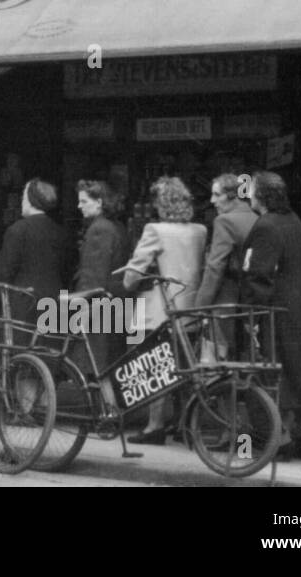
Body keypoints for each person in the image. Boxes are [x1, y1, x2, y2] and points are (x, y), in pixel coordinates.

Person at [239, 171, 301, 459]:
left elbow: (258, 275)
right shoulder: (294, 220)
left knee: (275, 371)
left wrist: (250, 315)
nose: (247, 194)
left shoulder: (266, 225)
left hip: (277, 309)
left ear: (261, 195)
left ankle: (281, 439)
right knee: (299, 370)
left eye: (250, 190)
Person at [123, 176, 207, 444]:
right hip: (191, 308)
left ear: (161, 204)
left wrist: (133, 278)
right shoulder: (200, 231)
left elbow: (131, 277)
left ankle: (155, 425)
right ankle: (184, 424)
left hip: (161, 309)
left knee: (157, 366)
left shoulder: (154, 230)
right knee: (184, 365)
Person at [193, 173, 259, 358]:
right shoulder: (255, 217)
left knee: (215, 358)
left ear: (231, 195)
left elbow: (215, 267)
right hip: (250, 302)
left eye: (217, 194)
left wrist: (200, 305)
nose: (212, 201)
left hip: (227, 301)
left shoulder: (225, 221)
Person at [73, 180, 130, 389]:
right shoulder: (117, 226)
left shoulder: (99, 229)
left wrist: (79, 305)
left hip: (99, 306)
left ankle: (104, 413)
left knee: (98, 364)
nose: (79, 206)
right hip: (116, 303)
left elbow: (93, 274)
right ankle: (113, 412)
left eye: (84, 201)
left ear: (99, 202)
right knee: (112, 363)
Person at [0, 178, 74, 326]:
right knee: (53, 348)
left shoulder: (17, 230)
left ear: (30, 200)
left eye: (23, 197)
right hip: (55, 304)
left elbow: (5, 272)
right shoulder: (61, 232)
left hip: (24, 304)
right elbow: (67, 271)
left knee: (22, 349)